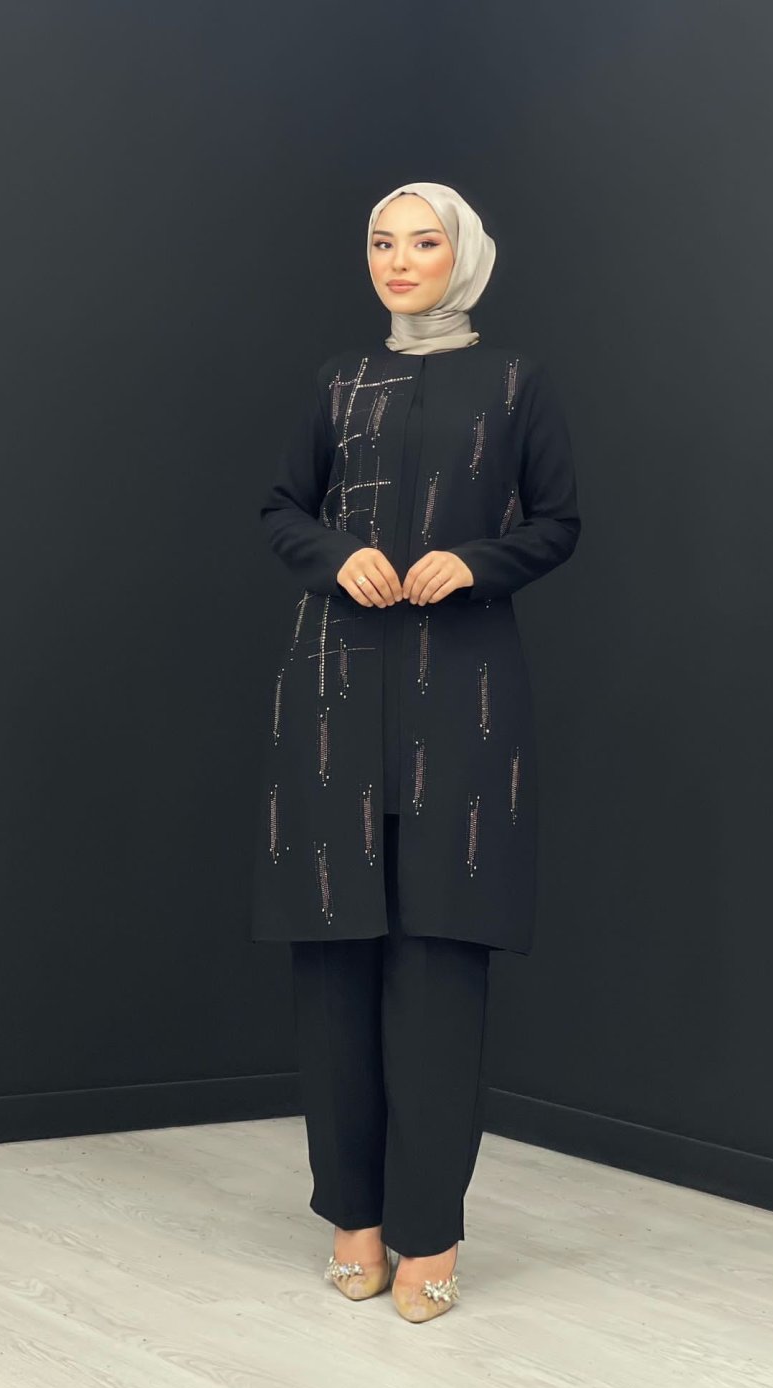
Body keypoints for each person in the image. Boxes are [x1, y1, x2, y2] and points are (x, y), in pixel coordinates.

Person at [249, 181, 581, 1322]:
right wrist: (334, 555)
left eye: (422, 242)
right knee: (334, 964)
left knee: (439, 964)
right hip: (334, 693)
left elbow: (559, 520)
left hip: (463, 700)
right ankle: (354, 1219)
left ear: (464, 255)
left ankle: (429, 1229)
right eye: (382, 243)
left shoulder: (515, 381)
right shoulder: (338, 379)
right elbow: (283, 506)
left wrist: (478, 562)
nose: (398, 261)